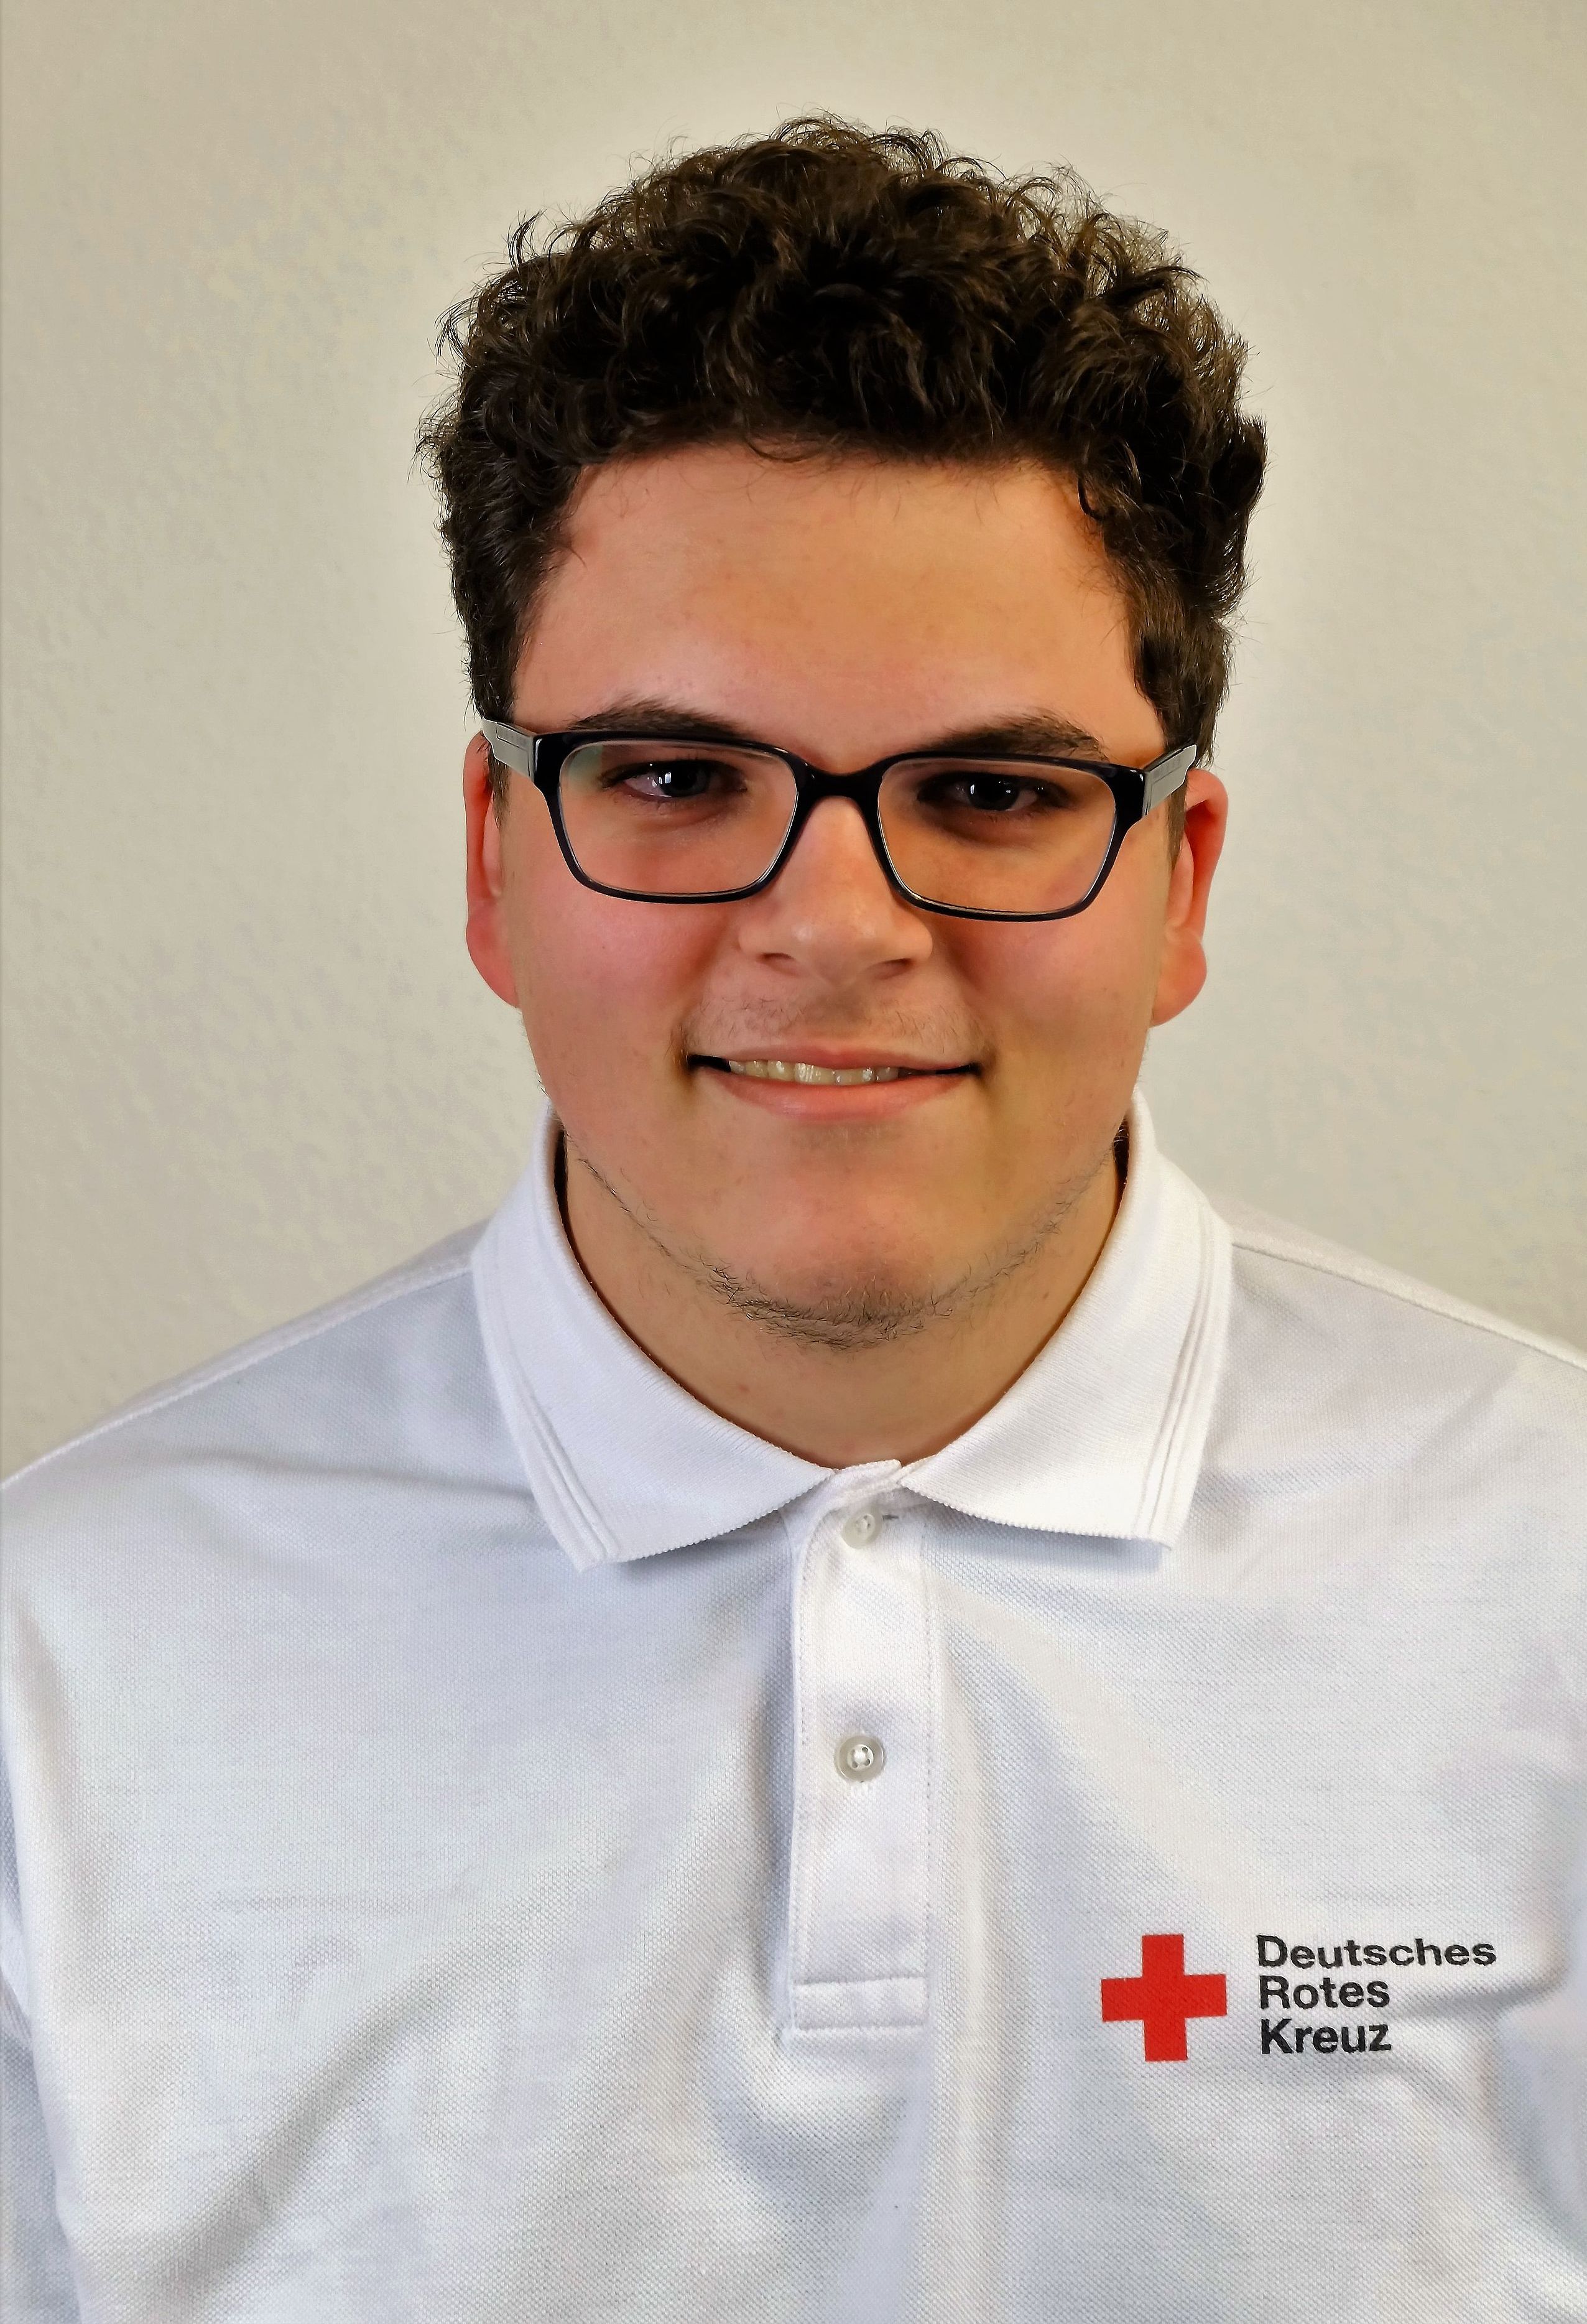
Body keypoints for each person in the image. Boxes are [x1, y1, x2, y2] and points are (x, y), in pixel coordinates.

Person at [2, 117, 1582, 2324]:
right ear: (493, 858)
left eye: (994, 792)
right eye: (676, 779)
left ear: (1181, 882)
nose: (834, 926)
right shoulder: (55, 1670)